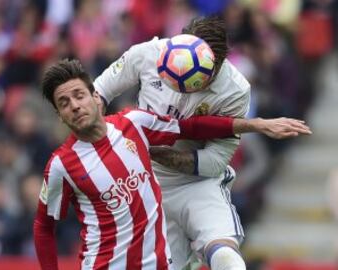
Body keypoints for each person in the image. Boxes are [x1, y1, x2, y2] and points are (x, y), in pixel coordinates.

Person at [34, 59, 310, 270]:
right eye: (64, 103)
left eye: (79, 95)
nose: (74, 105)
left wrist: (257, 125)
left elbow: (191, 127)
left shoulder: (133, 124)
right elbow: (43, 226)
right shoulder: (61, 165)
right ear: (60, 116)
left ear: (95, 97)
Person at [93, 16, 307, 270]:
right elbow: (99, 91)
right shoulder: (148, 53)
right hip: (145, 183)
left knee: (225, 257)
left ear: (218, 63)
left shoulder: (235, 90)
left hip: (197, 183)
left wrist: (158, 152)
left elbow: (216, 160)